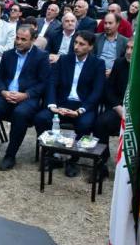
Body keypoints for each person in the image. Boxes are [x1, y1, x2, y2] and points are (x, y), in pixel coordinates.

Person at [0, 26, 50, 169]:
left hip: (27, 97)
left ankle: (10, 155)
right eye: (17, 38)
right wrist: (3, 91)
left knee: (20, 114)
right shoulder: (8, 54)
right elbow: (0, 77)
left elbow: (43, 83)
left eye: (23, 39)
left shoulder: (41, 57)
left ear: (33, 40)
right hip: (6, 95)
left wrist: (26, 94)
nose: (19, 42)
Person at [34, 31, 106, 177]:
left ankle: (74, 159)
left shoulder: (98, 64)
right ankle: (53, 155)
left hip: (83, 104)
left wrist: (81, 110)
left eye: (81, 44)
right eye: (75, 42)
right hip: (62, 102)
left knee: (85, 124)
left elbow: (97, 92)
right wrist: (52, 105)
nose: (76, 46)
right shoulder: (64, 60)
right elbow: (52, 83)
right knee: (41, 118)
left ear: (90, 47)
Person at [92, 38, 133, 181]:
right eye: (127, 48)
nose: (128, 52)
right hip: (119, 108)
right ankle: (101, 163)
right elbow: (109, 89)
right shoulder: (119, 63)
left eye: (132, 49)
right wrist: (118, 107)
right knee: (100, 123)